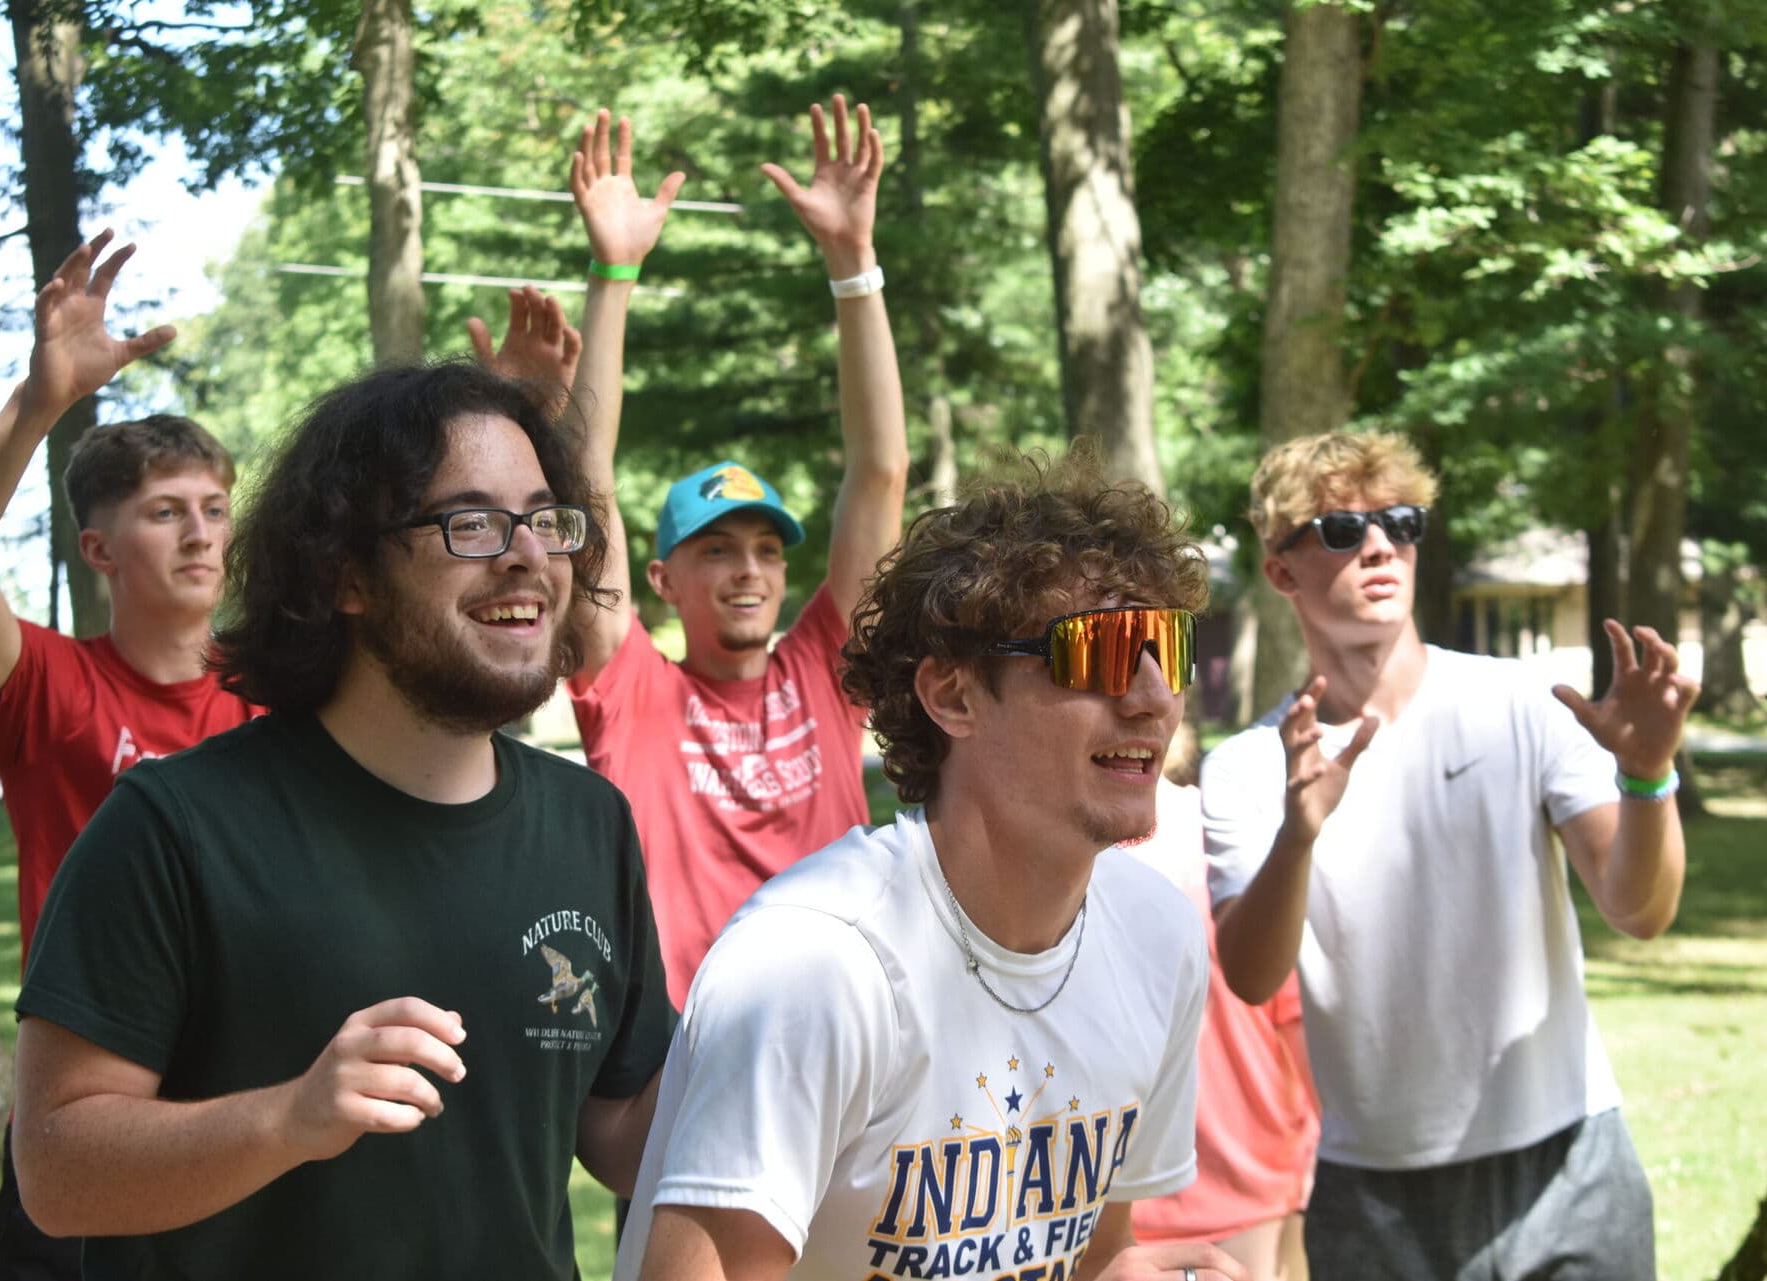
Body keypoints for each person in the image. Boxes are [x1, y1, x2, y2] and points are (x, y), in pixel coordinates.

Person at [9, 356, 671, 1280]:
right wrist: (288, 1117)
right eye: (472, 522)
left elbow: (621, 1131)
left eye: (545, 521)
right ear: (347, 573)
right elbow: (55, 1168)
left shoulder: (589, 822)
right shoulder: (174, 828)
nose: (528, 553)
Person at [616, 450, 1246, 1281]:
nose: (1153, 695)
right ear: (952, 696)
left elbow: (1089, 1249)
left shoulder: (1157, 935)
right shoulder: (810, 970)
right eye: (1098, 652)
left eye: (1166, 647)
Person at [1202, 431, 1696, 1280]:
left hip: (1568, 1160)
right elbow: (1250, 975)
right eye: (1339, 529)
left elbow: (1639, 909)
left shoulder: (1524, 703)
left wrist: (1647, 777)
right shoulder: (1252, 765)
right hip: (1373, 1196)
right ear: (1281, 570)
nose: (1379, 544)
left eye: (1400, 520)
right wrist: (1299, 832)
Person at [0, 231, 259, 1281]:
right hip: (86, 1125)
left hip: (249, 1117)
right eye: (163, 514)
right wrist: (39, 401)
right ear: (99, 551)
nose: (199, 535)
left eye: (212, 511)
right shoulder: (51, 688)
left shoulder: (288, 696)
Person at [562, 97, 910, 1009]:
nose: (748, 569)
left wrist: (853, 264)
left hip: (845, 1041)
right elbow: (586, 477)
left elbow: (880, 471)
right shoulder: (635, 691)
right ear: (662, 579)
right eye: (715, 551)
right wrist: (614, 272)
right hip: (688, 1062)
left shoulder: (829, 670)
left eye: (765, 547)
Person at [1125, 766, 1318, 1281]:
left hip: (1249, 1211)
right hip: (1106, 1226)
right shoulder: (1037, 852)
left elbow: (1297, 1010)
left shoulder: (1231, 828)